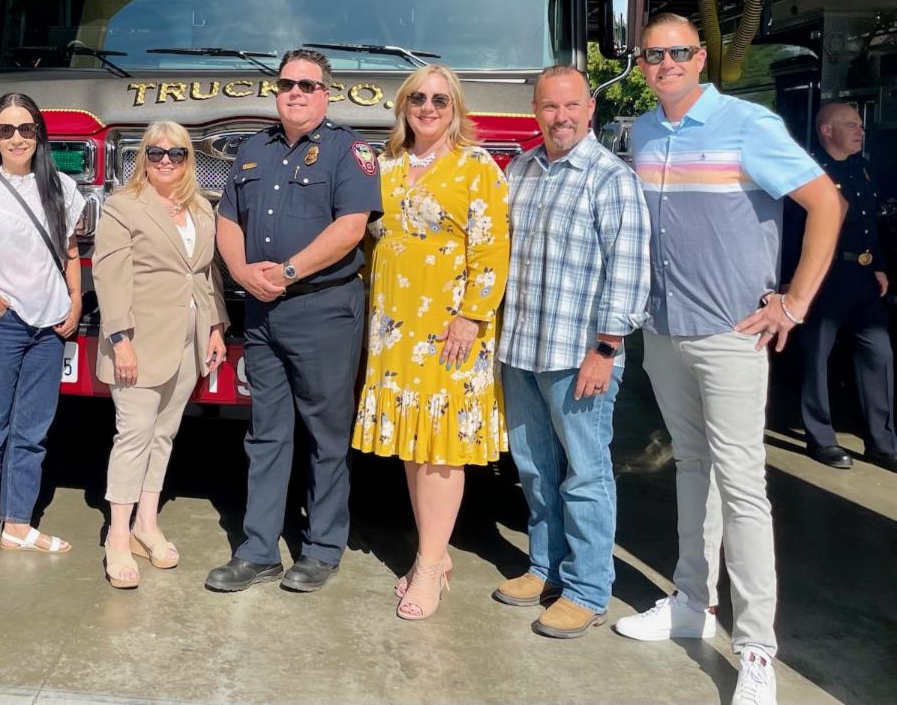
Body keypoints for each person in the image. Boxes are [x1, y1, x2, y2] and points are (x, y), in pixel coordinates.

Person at [616, 14, 844, 705]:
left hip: (731, 336)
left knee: (743, 489)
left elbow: (825, 204)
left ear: (702, 57)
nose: (665, 64)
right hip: (664, 331)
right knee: (691, 469)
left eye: (678, 52)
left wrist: (794, 305)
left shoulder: (747, 125)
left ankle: (756, 650)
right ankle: (691, 602)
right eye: (653, 55)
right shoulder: (644, 132)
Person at [205, 48, 381, 593]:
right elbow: (227, 219)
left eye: (308, 85)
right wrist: (239, 270)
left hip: (323, 309)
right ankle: (258, 550)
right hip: (262, 311)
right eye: (286, 85)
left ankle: (322, 549)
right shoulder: (254, 149)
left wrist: (285, 270)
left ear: (326, 94)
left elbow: (351, 228)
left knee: (326, 435)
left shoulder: (349, 151)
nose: (296, 93)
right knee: (266, 434)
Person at [494, 66, 650, 638]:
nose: (559, 117)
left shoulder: (611, 179)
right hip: (522, 348)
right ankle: (545, 566)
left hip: (579, 353)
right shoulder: (521, 170)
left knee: (585, 473)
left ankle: (587, 588)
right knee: (535, 468)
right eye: (548, 107)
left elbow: (628, 271)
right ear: (536, 112)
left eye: (570, 106)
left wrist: (606, 348)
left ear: (591, 110)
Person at [350, 64, 510, 620]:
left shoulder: (476, 166)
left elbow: (492, 252)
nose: (428, 106)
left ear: (455, 107)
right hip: (394, 328)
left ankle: (428, 565)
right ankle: (434, 554)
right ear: (402, 105)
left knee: (441, 447)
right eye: (417, 97)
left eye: (440, 99)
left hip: (450, 329)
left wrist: (471, 317)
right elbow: (367, 240)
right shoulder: (386, 166)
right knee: (415, 445)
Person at [0, 93, 86, 567]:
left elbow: (69, 252)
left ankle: (19, 525)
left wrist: (76, 297)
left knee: (32, 431)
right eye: (6, 130)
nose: (18, 138)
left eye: (27, 129)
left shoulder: (63, 188)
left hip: (48, 327)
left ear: (39, 134)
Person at [92, 121, 230, 588]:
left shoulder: (200, 210)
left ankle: (146, 525)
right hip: (138, 339)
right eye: (156, 153)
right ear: (143, 159)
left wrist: (215, 327)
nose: (166, 161)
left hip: (189, 340)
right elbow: (108, 277)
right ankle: (116, 536)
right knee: (132, 435)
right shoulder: (122, 207)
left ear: (190, 160)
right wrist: (120, 339)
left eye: (176, 154)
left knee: (164, 435)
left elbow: (206, 275)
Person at [782, 102, 896, 470]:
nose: (860, 130)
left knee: (879, 355)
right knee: (816, 357)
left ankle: (882, 443)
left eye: (860, 124)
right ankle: (821, 438)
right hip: (824, 277)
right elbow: (794, 229)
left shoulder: (860, 169)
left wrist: (877, 265)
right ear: (827, 131)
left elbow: (868, 221)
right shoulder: (809, 172)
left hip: (861, 277)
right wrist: (790, 280)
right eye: (850, 124)